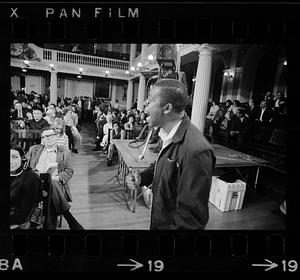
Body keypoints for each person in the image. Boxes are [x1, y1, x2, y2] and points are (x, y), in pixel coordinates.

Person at [125, 79, 216, 230]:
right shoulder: (168, 133)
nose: (144, 104)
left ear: (167, 108)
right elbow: (163, 167)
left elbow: (190, 220)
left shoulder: (196, 151)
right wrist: (143, 177)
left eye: (150, 99)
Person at [25, 127, 84, 230]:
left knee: (51, 182)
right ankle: (69, 218)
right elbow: (25, 166)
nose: (49, 138)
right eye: (46, 136)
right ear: (42, 139)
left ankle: (54, 222)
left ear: (56, 137)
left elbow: (69, 171)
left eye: (51, 135)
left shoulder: (65, 151)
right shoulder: (34, 149)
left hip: (55, 183)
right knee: (48, 191)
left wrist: (58, 178)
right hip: (35, 182)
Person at [10, 145, 43, 229]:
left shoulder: (31, 178)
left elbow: (23, 212)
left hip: (20, 222)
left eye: (14, 157)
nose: (10, 161)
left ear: (22, 159)